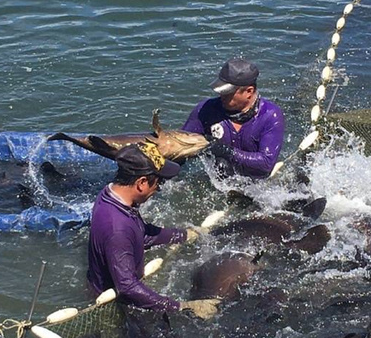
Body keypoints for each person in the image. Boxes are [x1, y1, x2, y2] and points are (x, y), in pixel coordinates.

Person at [87, 141, 220, 319]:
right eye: (158, 182)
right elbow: (127, 287)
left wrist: (184, 235)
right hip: (115, 302)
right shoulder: (117, 229)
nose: (158, 189)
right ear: (141, 183)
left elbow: (142, 233)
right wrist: (182, 307)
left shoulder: (111, 195)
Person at [182, 58, 285, 179]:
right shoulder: (206, 109)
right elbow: (183, 143)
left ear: (249, 91)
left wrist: (227, 151)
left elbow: (266, 163)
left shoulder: (270, 115)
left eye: (228, 93)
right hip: (220, 180)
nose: (221, 96)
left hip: (258, 183)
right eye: (221, 91)